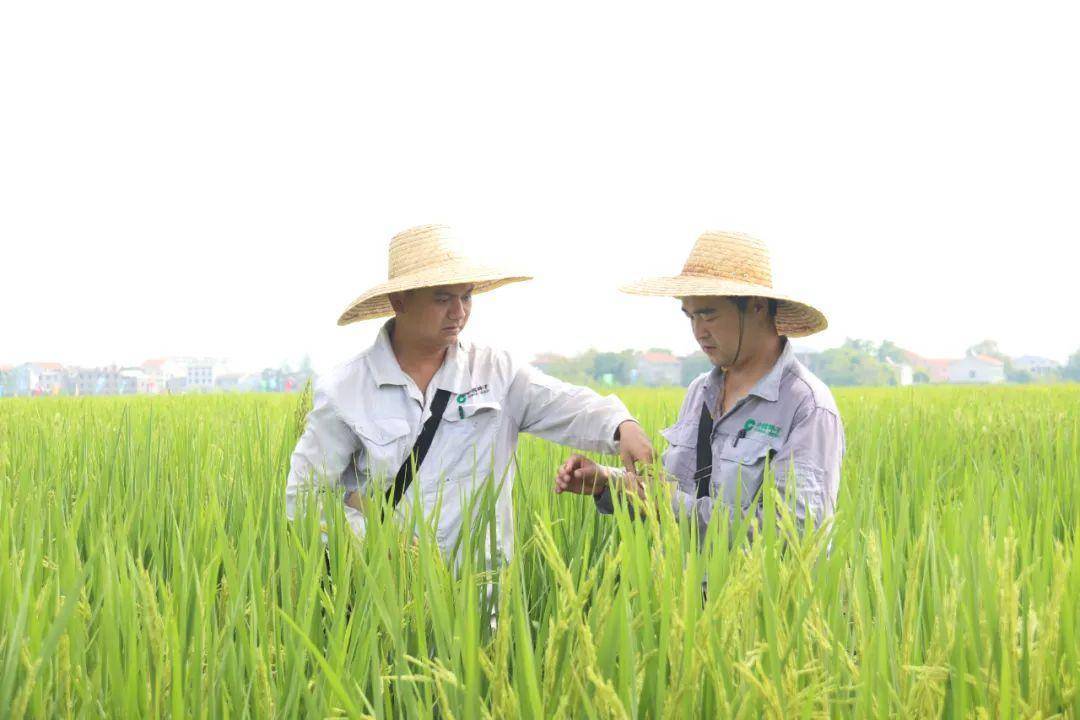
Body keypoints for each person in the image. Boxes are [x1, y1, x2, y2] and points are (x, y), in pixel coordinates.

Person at [286, 224, 654, 562]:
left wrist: (620, 424)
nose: (459, 312)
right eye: (442, 298)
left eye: (467, 297)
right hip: (386, 595)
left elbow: (564, 403)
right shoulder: (346, 390)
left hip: (483, 596)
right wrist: (373, 544)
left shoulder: (497, 372)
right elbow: (304, 496)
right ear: (400, 301)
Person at [555, 230, 844, 541]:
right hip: (683, 585)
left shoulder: (806, 406)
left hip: (758, 590)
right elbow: (672, 488)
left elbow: (798, 532)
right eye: (690, 316)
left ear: (757, 306)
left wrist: (668, 503)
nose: (698, 332)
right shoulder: (701, 392)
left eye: (709, 315)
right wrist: (606, 482)